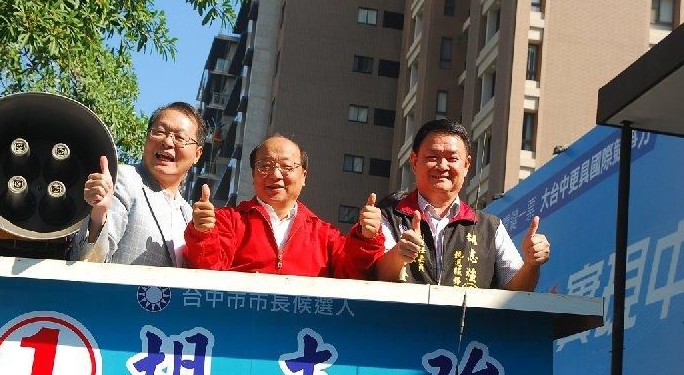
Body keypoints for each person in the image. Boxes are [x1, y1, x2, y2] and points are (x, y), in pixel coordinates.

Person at [375, 119, 550, 291]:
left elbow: (517, 290)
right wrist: (399, 255)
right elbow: (376, 275)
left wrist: (531, 264)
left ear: (466, 165)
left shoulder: (490, 227)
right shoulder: (388, 216)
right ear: (414, 162)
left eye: (452, 158)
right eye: (432, 157)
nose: (442, 166)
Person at [184, 135, 384, 278]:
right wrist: (202, 234)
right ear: (253, 174)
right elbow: (207, 274)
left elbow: (352, 275)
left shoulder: (325, 235)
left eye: (287, 167)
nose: (275, 174)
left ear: (303, 176)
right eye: (265, 166)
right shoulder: (227, 222)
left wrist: (366, 239)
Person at [71, 102, 204, 266]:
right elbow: (89, 261)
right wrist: (99, 214)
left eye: (180, 137)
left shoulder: (189, 215)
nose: (167, 142)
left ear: (197, 154)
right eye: (159, 132)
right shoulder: (124, 179)